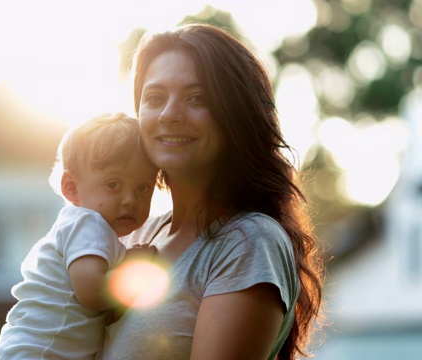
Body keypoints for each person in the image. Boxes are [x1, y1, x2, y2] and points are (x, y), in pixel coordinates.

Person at [96, 23, 325, 360]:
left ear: (236, 115)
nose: (170, 114)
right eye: (155, 98)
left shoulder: (248, 243)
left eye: (197, 98)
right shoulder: (137, 232)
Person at [0, 112, 159, 359]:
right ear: (71, 187)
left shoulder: (95, 232)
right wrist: (134, 268)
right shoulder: (87, 223)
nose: (130, 200)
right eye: (114, 184)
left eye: (143, 188)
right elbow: (91, 291)